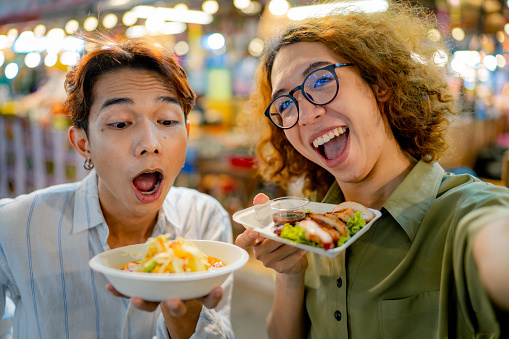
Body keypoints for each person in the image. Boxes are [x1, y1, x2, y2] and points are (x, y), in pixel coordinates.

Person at [235, 1, 509, 338]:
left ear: (379, 83)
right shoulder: (311, 227)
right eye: (286, 103)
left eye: (321, 81)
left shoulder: (464, 213)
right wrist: (290, 273)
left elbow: (495, 241)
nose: (305, 115)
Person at [0, 38, 234, 339]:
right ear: (83, 144)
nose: (150, 144)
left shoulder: (203, 219)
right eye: (121, 123)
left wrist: (186, 322)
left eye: (166, 120)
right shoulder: (16, 227)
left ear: (187, 134)